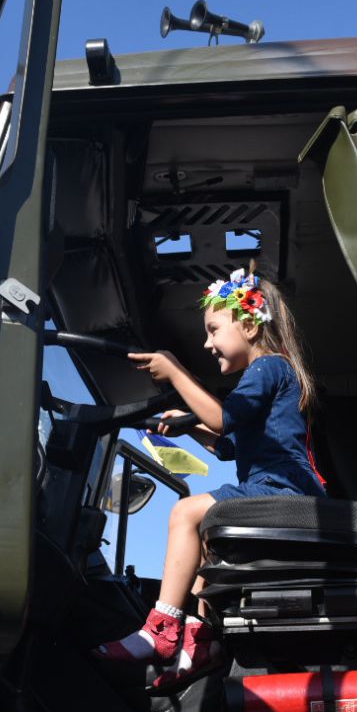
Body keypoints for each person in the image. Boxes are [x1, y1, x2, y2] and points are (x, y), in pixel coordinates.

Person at [97, 267, 324, 687]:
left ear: (250, 327)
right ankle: (203, 642)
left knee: (186, 512)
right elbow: (228, 445)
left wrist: (175, 372)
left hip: (282, 490)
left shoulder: (267, 368)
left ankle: (161, 629)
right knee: (205, 547)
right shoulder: (272, 374)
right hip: (277, 488)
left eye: (214, 330)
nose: (207, 343)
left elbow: (222, 419)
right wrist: (188, 426)